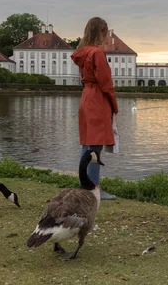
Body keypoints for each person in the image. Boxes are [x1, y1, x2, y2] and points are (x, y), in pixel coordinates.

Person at [71, 17, 118, 200]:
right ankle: (93, 189)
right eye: (106, 33)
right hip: (97, 98)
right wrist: (113, 104)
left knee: (87, 143)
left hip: (86, 96)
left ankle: (85, 186)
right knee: (95, 145)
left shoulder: (83, 53)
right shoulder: (98, 53)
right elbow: (106, 82)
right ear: (101, 32)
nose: (107, 37)